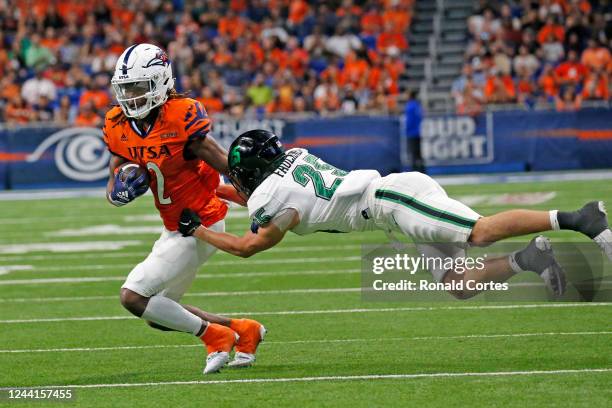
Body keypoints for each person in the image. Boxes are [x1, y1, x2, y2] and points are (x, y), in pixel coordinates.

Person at [178, 130, 612, 300]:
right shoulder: (290, 162)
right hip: (392, 203)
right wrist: (212, 188)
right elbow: (272, 198)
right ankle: (529, 259)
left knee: (480, 232)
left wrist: (198, 228)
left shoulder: (273, 198)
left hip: (393, 200)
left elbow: (249, 245)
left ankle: (579, 218)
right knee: (457, 285)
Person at [103, 44, 265, 374]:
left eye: (139, 87)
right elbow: (115, 170)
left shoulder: (181, 115)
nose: (131, 96)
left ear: (161, 82)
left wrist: (262, 196)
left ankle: (216, 337)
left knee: (133, 297)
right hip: (173, 227)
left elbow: (224, 163)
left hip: (198, 224)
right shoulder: (117, 123)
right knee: (161, 313)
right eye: (126, 88)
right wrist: (116, 191)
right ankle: (242, 330)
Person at [404, 90, 424, 173]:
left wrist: (406, 130)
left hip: (411, 133)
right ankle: (422, 171)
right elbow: (420, 117)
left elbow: (409, 121)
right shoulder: (417, 105)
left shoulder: (409, 106)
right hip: (418, 132)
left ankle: (414, 173)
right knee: (418, 155)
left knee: (412, 155)